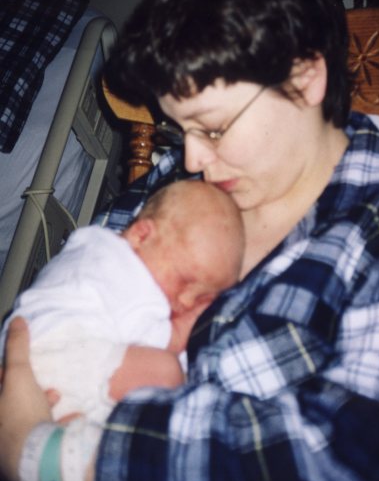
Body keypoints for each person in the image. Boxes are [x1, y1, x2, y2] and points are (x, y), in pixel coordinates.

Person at [1, 0, 379, 481]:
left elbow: (348, 454)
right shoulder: (186, 182)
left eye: (212, 126)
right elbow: (69, 297)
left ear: (306, 77)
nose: (190, 157)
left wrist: (47, 456)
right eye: (178, 128)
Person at [0, 180, 244, 424]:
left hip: (50, 367)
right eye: (185, 281)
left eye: (204, 298)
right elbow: (157, 346)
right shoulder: (118, 264)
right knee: (165, 372)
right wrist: (181, 331)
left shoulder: (100, 248)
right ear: (142, 235)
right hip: (50, 352)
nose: (187, 302)